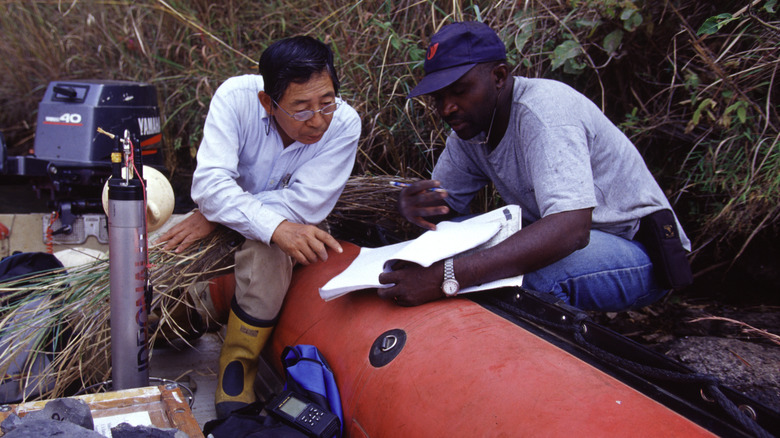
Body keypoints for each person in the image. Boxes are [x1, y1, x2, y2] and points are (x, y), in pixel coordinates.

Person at [378, 21, 691, 312]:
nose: (447, 108)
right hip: (573, 240)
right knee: (443, 248)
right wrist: (413, 205)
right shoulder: (470, 128)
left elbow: (571, 231)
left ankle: (552, 363)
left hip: (640, 251)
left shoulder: (545, 112)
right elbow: (446, 210)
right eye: (438, 97)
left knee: (526, 280)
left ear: (499, 77)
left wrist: (448, 276)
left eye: (459, 91)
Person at [156, 35, 360, 418]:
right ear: (269, 102)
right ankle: (174, 322)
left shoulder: (344, 124)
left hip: (267, 225)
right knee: (170, 264)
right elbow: (208, 184)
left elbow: (307, 203)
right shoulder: (236, 99)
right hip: (230, 222)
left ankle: (238, 369)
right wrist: (239, 211)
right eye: (301, 108)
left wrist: (222, 212)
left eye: (326, 102)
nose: (317, 120)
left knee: (272, 249)